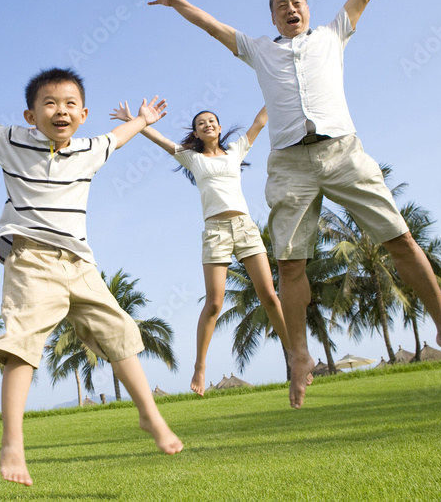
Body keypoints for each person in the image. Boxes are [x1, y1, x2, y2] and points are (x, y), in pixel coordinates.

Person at [142, 0, 441, 409]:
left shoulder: (332, 34)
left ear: (307, 8)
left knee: (403, 242)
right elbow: (212, 26)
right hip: (289, 165)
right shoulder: (258, 50)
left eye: (296, 1)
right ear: (273, 18)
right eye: (280, 6)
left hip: (344, 152)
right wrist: (174, 2)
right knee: (291, 265)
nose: (290, 8)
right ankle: (298, 357)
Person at [0, 69, 183, 486]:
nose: (60, 110)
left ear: (83, 114)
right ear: (31, 116)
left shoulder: (89, 148)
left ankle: (149, 414)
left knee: (119, 332)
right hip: (31, 260)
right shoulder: (11, 141)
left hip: (81, 262)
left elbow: (117, 138)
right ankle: (12, 441)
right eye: (49, 103)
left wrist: (142, 120)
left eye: (69, 104)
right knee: (22, 344)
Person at [111, 103, 301, 394]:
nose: (207, 124)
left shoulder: (236, 150)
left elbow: (260, 121)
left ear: (220, 128)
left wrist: (276, 78)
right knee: (214, 303)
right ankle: (200, 366)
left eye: (211, 121)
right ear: (197, 133)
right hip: (216, 233)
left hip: (246, 229)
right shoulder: (192, 158)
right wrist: (135, 121)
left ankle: (295, 355)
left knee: (270, 296)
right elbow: (160, 140)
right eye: (201, 123)